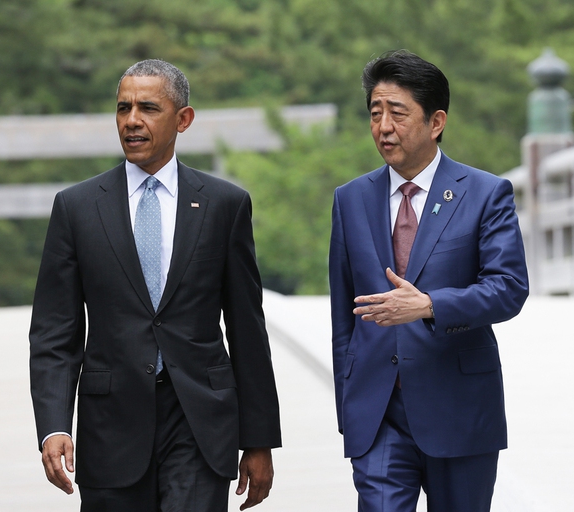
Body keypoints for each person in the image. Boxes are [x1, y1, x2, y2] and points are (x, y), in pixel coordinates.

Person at [29, 59, 282, 512]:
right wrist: (53, 425)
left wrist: (259, 441)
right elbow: (54, 332)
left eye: (148, 108)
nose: (132, 121)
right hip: (111, 427)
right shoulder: (77, 208)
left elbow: (247, 328)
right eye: (123, 108)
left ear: (183, 119)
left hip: (200, 423)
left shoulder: (225, 205)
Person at [329, 50, 529, 511]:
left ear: (435, 122)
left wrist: (430, 305)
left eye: (397, 113)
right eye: (375, 113)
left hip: (458, 409)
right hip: (377, 414)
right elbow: (344, 314)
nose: (383, 127)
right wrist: (350, 405)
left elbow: (508, 288)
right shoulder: (350, 199)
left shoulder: (485, 193)